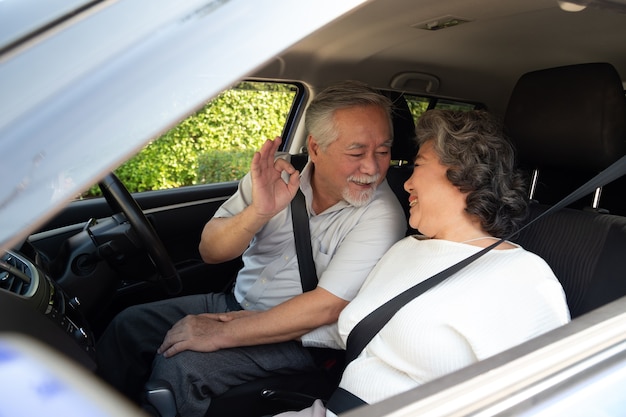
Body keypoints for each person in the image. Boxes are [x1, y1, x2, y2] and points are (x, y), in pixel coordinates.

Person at [95, 80, 407, 416]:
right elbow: (211, 252)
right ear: (316, 148)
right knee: (129, 326)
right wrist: (259, 211)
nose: (373, 168)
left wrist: (220, 333)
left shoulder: (382, 215)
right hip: (235, 301)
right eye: (357, 153)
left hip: (302, 339)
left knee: (183, 368)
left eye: (383, 151)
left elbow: (324, 309)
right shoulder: (274, 175)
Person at [276, 109, 571, 417]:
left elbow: (543, 402)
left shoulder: (524, 279)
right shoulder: (406, 249)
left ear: (462, 173)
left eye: (417, 166)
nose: (407, 183)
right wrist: (250, 326)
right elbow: (358, 327)